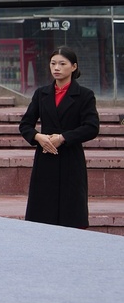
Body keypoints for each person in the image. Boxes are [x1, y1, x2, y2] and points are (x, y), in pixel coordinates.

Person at [19, 45, 101, 229]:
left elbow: (91, 127)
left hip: (70, 158)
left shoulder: (85, 95)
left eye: (62, 64)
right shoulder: (41, 93)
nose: (56, 68)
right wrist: (38, 137)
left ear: (74, 67)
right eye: (53, 63)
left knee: (71, 213)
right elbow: (25, 125)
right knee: (42, 214)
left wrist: (63, 137)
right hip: (45, 157)